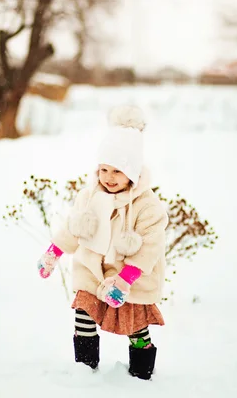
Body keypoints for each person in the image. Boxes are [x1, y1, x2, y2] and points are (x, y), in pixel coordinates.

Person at [37, 105, 168, 380]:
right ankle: (85, 369)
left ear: (131, 172)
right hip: (93, 272)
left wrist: (125, 279)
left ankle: (142, 372)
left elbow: (149, 248)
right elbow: (73, 228)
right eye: (104, 170)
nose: (108, 178)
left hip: (129, 278)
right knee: (84, 313)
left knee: (135, 325)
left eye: (117, 172)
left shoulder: (147, 206)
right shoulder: (90, 196)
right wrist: (53, 252)